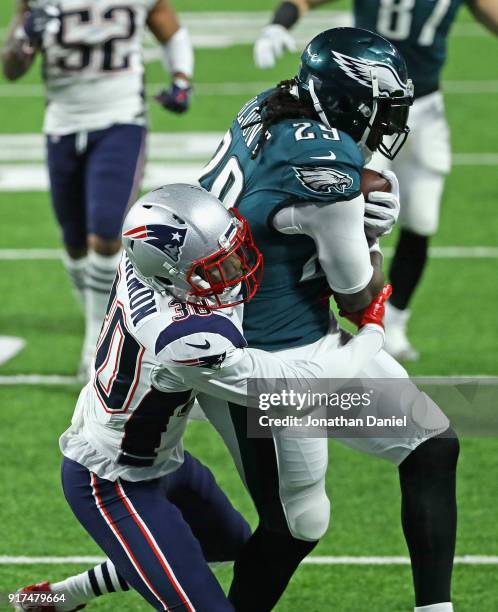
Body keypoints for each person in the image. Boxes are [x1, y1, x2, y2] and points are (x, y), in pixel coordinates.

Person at [19, 29, 460, 612]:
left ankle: (66, 593)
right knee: (299, 523)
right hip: (266, 364)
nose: (235, 254)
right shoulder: (196, 332)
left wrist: (343, 221)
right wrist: (369, 242)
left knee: (428, 446)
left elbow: (258, 230)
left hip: (266, 348)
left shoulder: (180, 259)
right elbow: (353, 303)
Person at [15, 183, 391, 611]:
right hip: (112, 480)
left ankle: (57, 597)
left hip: (164, 457)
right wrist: (373, 330)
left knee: (224, 544)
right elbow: (300, 387)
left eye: (231, 253)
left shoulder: (145, 258)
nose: (234, 271)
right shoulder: (185, 340)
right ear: (171, 277)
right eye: (215, 269)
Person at [254, 0, 498, 360]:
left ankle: (394, 321)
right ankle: (321, 313)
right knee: (343, 205)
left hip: (424, 108)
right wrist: (280, 22)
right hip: (361, 110)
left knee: (422, 218)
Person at [1, 0, 194, 378]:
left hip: (121, 119)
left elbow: (171, 30)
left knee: (106, 233)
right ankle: (99, 316)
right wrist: (26, 36)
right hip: (62, 122)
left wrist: (181, 79)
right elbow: (11, 68)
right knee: (73, 241)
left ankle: (97, 340)